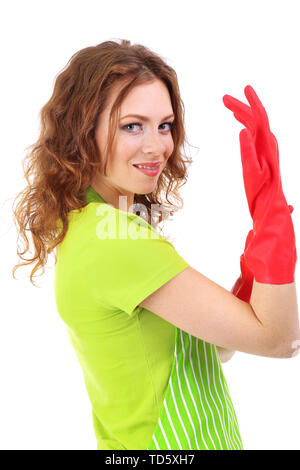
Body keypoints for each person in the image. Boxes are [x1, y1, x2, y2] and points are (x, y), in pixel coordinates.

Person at [12, 39, 299, 451]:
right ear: (83, 131)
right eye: (133, 125)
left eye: (164, 125)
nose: (158, 146)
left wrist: (256, 262)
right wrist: (272, 216)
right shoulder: (115, 242)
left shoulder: (94, 225)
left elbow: (215, 348)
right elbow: (281, 340)